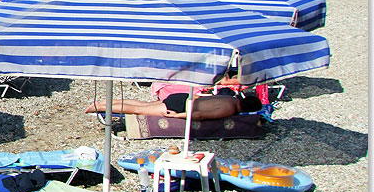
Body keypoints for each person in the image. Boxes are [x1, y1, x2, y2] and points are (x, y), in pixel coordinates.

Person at [84, 89, 262, 120]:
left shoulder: (231, 99)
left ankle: (106, 102)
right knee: (139, 110)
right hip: (182, 107)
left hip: (182, 97)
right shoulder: (230, 109)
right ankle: (100, 107)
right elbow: (201, 115)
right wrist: (178, 116)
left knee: (144, 104)